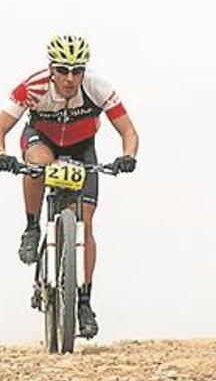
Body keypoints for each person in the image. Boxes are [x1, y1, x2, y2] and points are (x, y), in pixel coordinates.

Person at [0, 35, 139, 339]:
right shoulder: (33, 87)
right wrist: (3, 155)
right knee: (36, 164)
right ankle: (32, 226)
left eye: (77, 71)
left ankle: (84, 303)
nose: (70, 78)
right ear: (51, 69)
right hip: (42, 141)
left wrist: (128, 157)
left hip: (82, 148)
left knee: (85, 224)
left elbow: (128, 131)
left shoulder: (97, 88)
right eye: (63, 70)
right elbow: (1, 127)